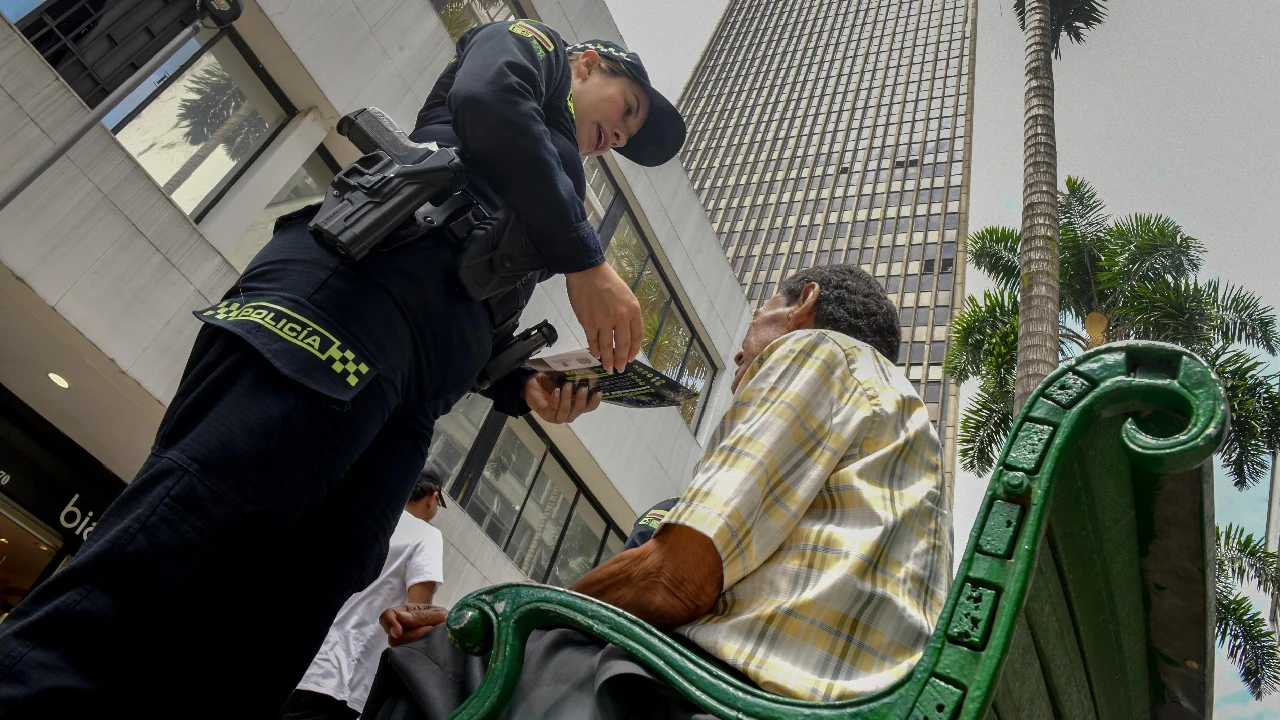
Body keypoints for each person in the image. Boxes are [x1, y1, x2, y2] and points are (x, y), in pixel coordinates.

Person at [0, 19, 686, 719]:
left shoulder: (552, 188)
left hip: (410, 399)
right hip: (350, 300)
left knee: (293, 610)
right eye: (625, 110)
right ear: (589, 65)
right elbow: (487, 100)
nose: (616, 137)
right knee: (188, 535)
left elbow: (477, 308)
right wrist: (586, 257)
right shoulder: (536, 52)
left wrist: (522, 384)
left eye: (625, 141)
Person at [363, 265, 954, 719]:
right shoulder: (908, 437)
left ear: (803, 304)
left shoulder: (817, 351)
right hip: (828, 701)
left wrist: (506, 616)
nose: (739, 353)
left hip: (735, 697)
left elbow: (674, 580)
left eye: (764, 306)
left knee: (434, 664)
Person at [282, 467, 448, 720]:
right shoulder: (428, 536)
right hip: (340, 677)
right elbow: (417, 615)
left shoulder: (371, 516)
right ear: (433, 497)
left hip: (301, 657)